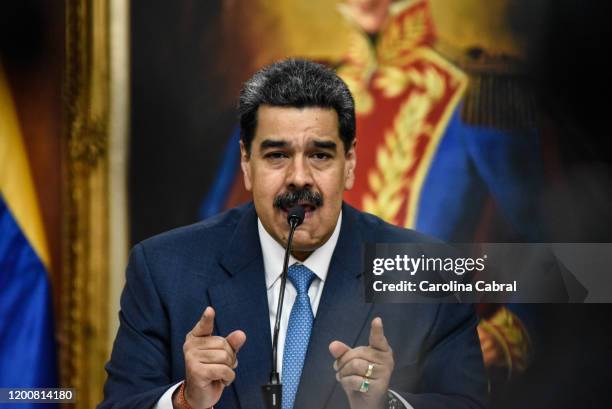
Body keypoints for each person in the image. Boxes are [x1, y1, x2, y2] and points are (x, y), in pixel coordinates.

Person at [99, 59, 486, 409]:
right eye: (277, 155)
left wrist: (387, 405)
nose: (299, 177)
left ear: (349, 164)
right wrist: (185, 400)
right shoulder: (165, 269)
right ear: (247, 165)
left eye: (320, 155)